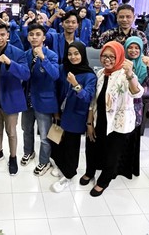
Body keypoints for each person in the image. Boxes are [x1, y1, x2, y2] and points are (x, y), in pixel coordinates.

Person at [82, 41, 144, 197]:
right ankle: (90, 171)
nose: (107, 59)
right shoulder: (100, 73)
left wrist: (130, 75)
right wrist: (89, 122)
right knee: (92, 147)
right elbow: (93, 100)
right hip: (99, 119)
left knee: (112, 153)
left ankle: (104, 181)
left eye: (112, 56)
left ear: (119, 57)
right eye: (104, 56)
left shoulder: (125, 74)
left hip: (118, 123)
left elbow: (137, 93)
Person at [0, 20, 30, 175]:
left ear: (8, 35)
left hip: (10, 99)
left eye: (2, 34)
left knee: (11, 132)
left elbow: (26, 74)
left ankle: (13, 157)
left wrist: (10, 63)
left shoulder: (18, 52)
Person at [49, 41, 96, 192]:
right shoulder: (64, 68)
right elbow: (56, 88)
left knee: (71, 147)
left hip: (76, 115)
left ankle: (68, 175)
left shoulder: (89, 75)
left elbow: (88, 97)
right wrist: (55, 111)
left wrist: (76, 85)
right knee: (57, 142)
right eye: (70, 54)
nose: (73, 57)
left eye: (76, 53)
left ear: (82, 54)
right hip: (61, 113)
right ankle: (61, 167)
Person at [21, 23, 60, 176]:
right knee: (26, 129)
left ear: (44, 37)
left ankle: (44, 161)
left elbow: (55, 75)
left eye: (38, 34)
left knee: (44, 136)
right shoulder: (25, 54)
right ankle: (28, 151)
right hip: (27, 99)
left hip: (44, 100)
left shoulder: (51, 55)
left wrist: (43, 58)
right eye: (31, 34)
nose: (34, 37)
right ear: (28, 37)